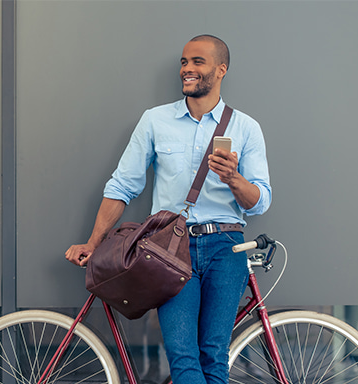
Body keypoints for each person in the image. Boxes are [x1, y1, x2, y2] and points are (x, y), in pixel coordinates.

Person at [65, 34, 272, 384]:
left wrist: (233, 178)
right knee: (183, 356)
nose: (187, 69)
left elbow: (261, 201)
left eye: (198, 62)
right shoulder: (155, 121)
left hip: (226, 247)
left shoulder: (246, 127)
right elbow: (122, 186)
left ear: (221, 70)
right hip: (170, 249)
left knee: (214, 355)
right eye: (184, 62)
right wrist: (93, 241)